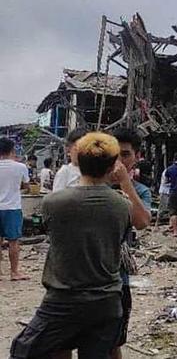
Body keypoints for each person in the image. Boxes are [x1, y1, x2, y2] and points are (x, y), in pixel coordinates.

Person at [10, 132, 131, 357]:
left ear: (78, 160)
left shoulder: (54, 202)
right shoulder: (122, 205)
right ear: (112, 165)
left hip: (63, 299)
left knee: (24, 350)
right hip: (107, 301)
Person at [111, 128, 152, 359]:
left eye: (125, 155)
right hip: (80, 279)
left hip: (117, 280)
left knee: (112, 343)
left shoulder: (140, 191)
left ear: (136, 156)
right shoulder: (87, 183)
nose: (118, 161)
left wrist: (125, 183)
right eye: (113, 154)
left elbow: (142, 222)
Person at [0, 137, 30, 281]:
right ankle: (14, 272)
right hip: (12, 208)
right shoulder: (20, 167)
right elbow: (27, 187)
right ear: (12, 150)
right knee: (13, 241)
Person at [52, 127, 88, 192]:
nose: (82, 152)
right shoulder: (65, 172)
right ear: (68, 150)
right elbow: (56, 199)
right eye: (77, 148)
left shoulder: (93, 172)